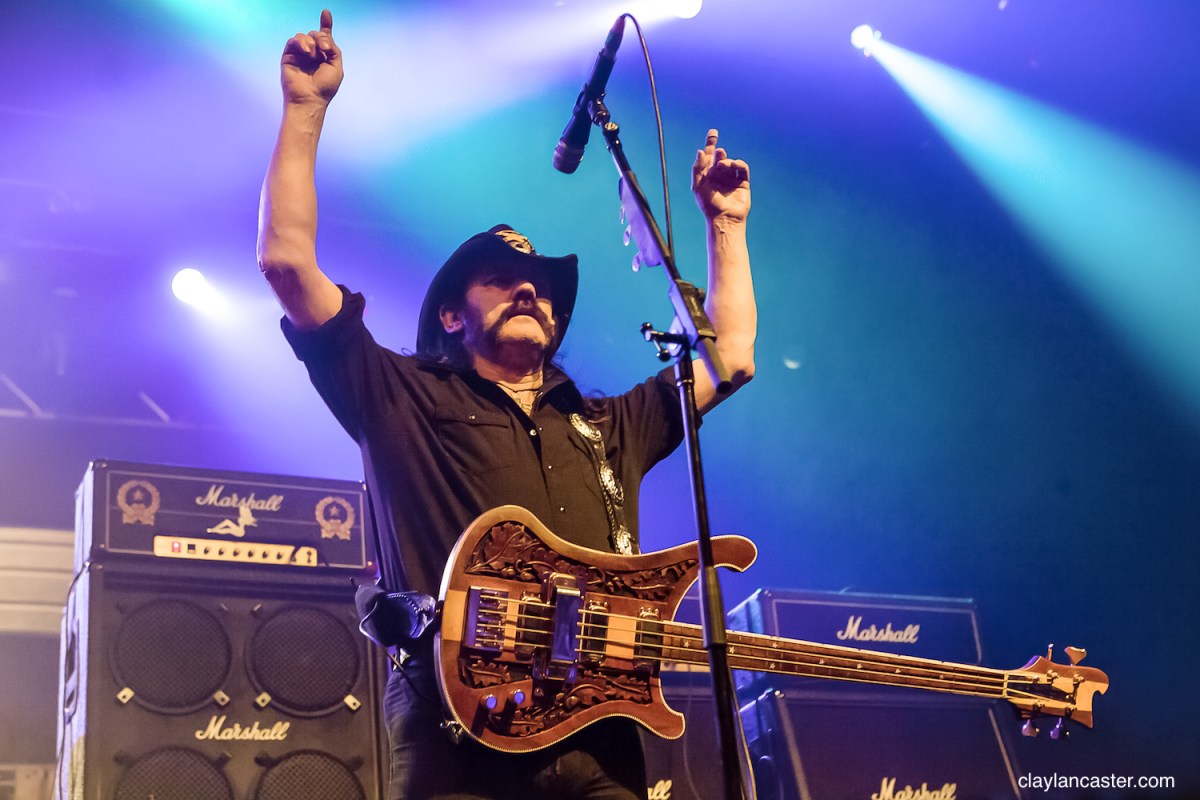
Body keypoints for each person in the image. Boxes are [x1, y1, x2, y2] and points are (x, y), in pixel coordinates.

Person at [257, 10, 755, 800]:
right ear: (452, 316)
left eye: (543, 287)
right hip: (460, 733)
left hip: (599, 739)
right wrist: (305, 108)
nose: (530, 289)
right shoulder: (401, 396)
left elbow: (729, 358)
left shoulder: (604, 424)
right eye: (500, 279)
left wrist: (724, 227)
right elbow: (287, 263)